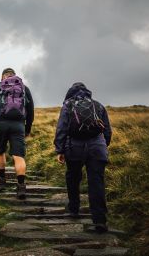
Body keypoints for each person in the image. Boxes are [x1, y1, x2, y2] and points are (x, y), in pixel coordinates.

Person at [54, 82, 112, 233]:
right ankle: (100, 220)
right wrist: (103, 146)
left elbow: (62, 128)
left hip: (74, 148)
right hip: (97, 148)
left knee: (73, 177)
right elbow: (107, 131)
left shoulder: (68, 105)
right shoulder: (98, 106)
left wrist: (60, 150)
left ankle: (74, 209)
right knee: (96, 182)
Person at [0, 68, 34, 199]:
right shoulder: (24, 88)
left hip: (1, 123)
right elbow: (30, 110)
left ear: (3, 77)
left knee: (0, 151)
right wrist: (27, 128)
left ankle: (1, 182)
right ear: (14, 76)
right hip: (18, 125)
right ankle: (21, 187)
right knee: (19, 155)